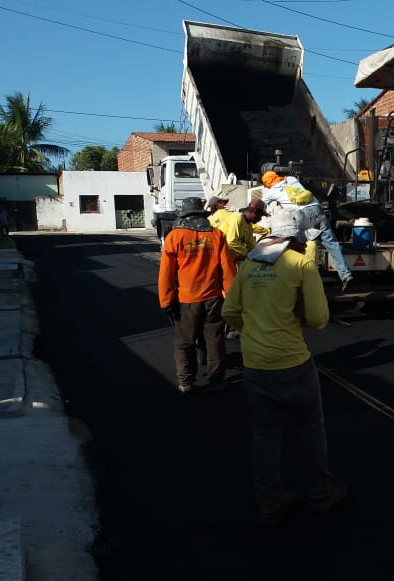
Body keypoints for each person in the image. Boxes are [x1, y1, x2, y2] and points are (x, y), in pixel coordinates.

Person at [222, 210, 348, 525]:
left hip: (254, 366)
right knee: (311, 428)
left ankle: (269, 505)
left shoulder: (250, 264)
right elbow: (319, 319)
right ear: (297, 236)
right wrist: (294, 319)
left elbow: (229, 311)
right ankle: (320, 495)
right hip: (293, 364)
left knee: (265, 435)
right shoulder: (300, 265)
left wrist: (252, 330)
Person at [158, 197, 237, 394]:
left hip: (186, 300)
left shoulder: (175, 237)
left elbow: (166, 273)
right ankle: (216, 379)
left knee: (184, 342)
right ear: (202, 215)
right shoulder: (216, 235)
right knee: (214, 339)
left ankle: (186, 382)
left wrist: (166, 300)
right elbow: (228, 270)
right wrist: (233, 297)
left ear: (183, 215)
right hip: (213, 298)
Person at [261, 171, 352, 291]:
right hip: (317, 209)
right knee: (332, 243)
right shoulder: (291, 179)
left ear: (267, 183)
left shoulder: (271, 191)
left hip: (301, 215)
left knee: (298, 244)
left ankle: (299, 278)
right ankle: (346, 275)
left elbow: (260, 205)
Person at [206, 195, 255, 261]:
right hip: (231, 252)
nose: (226, 205)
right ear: (218, 204)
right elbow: (249, 225)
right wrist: (267, 231)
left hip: (219, 254)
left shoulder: (211, 220)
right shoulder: (230, 214)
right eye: (223, 203)